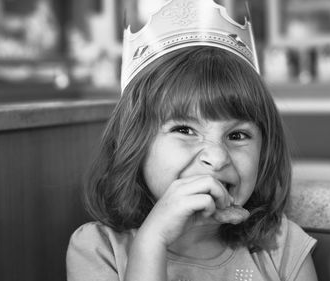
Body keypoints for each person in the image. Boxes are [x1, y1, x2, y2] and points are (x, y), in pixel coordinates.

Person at [66, 1, 317, 281]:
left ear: (265, 152)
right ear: (134, 142)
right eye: (185, 130)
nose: (217, 156)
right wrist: (153, 241)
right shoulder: (99, 248)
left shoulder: (282, 247)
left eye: (237, 135)